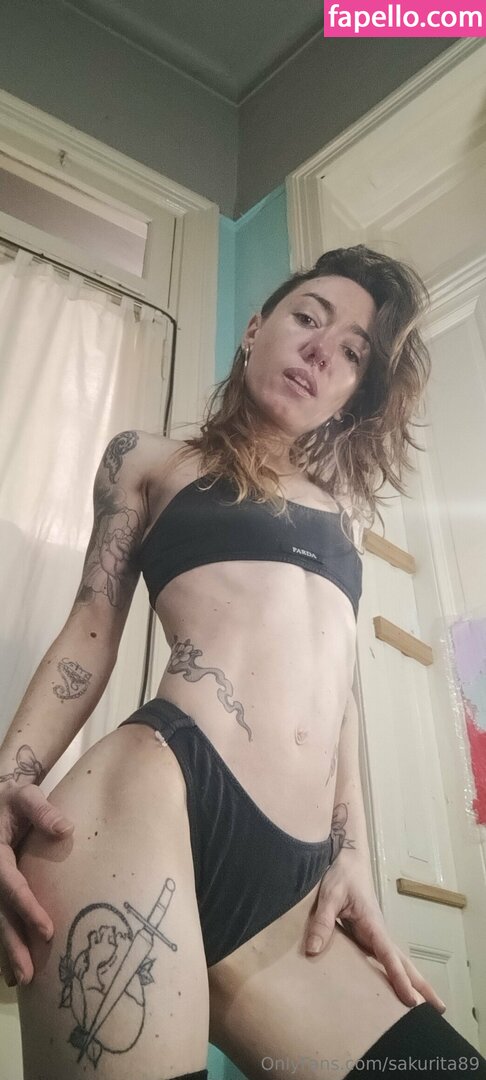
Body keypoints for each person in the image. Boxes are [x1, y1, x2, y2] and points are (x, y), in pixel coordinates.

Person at [0, 245, 484, 1080]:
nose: (320, 351)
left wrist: (354, 854)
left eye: (352, 352)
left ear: (350, 394)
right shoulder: (149, 460)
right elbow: (90, 628)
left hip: (292, 887)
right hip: (148, 807)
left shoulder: (343, 518)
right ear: (256, 328)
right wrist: (8, 778)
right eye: (307, 318)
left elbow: (340, 695)